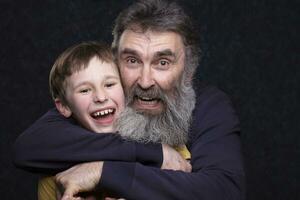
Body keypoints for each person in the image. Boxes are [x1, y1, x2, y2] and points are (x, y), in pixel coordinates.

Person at [14, 0, 245, 199]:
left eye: (162, 63)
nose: (145, 81)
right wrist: (152, 153)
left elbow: (223, 191)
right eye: (132, 61)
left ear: (189, 70)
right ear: (114, 62)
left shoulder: (209, 105)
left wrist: (103, 172)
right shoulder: (103, 99)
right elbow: (29, 147)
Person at [37, 41, 191, 200]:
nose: (101, 97)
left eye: (109, 84)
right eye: (84, 90)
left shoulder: (162, 137)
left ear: (125, 88)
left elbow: (190, 188)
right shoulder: (56, 173)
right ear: (64, 106)